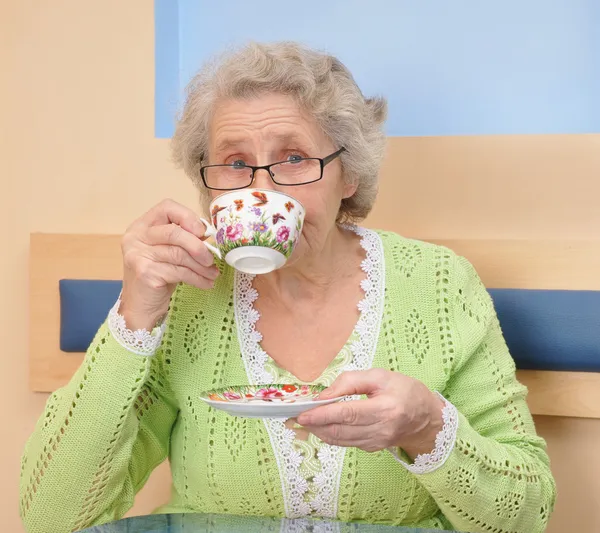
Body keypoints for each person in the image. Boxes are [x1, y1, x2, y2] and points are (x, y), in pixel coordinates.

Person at [20, 41, 556, 533]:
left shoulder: (439, 285)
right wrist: (133, 321)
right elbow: (52, 518)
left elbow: (527, 515)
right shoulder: (185, 296)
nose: (261, 190)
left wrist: (426, 429)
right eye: (235, 163)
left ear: (348, 174)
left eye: (294, 158)